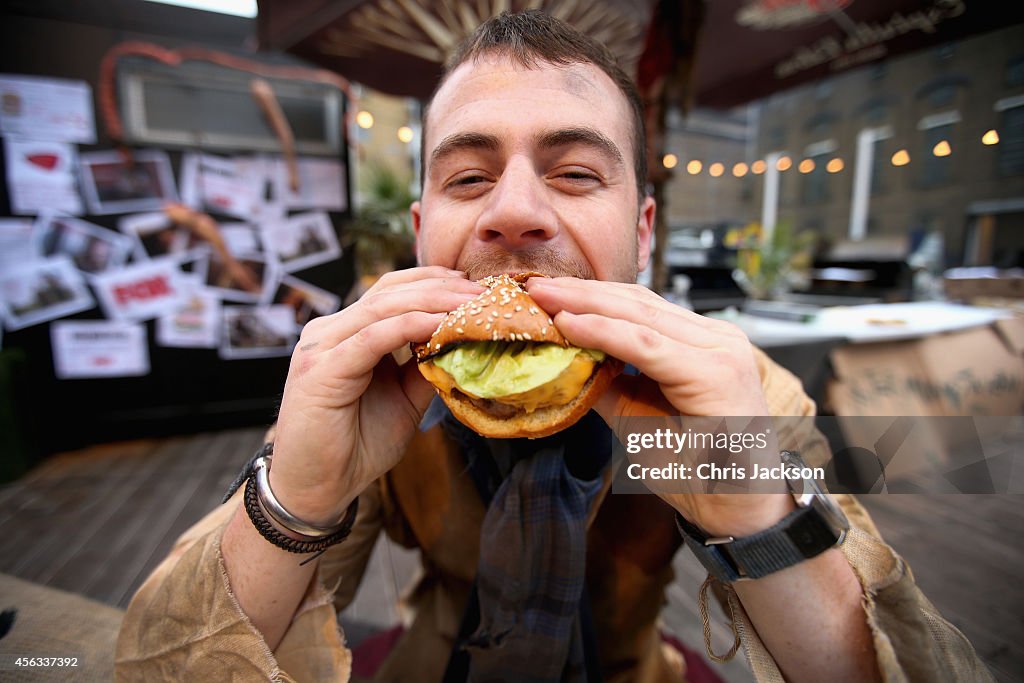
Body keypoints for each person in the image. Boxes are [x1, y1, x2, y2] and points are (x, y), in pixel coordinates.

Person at [115, 11, 990, 683]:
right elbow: (158, 663)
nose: (515, 210)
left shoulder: (731, 389)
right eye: (468, 178)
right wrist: (299, 493)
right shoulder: (374, 374)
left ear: (642, 233)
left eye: (575, 172)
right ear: (424, 234)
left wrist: (753, 509)